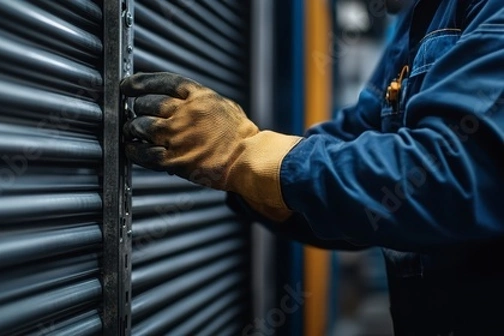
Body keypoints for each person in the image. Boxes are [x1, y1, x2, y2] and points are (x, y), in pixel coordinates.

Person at [120, 1, 504, 334]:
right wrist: (246, 171)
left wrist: (245, 154)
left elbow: (454, 173)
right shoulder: (415, 25)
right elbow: (349, 150)